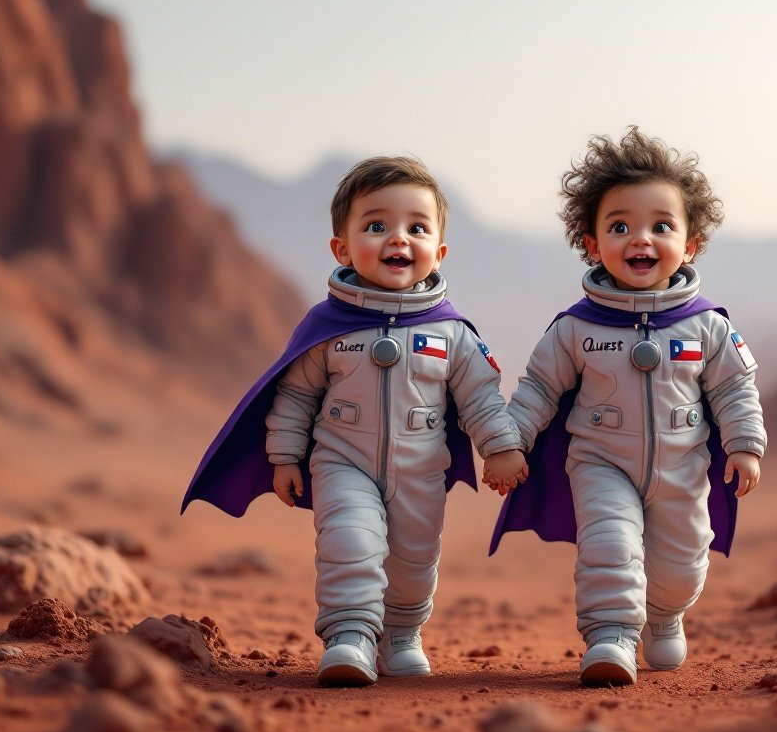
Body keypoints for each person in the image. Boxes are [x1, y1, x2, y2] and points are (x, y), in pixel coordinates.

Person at [183, 156, 526, 686]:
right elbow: (294, 396)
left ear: (438, 252)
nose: (398, 239)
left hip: (421, 469)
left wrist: (499, 446)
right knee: (349, 540)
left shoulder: (453, 333)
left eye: (416, 227)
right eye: (376, 226)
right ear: (342, 249)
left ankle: (402, 634)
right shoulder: (327, 326)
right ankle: (349, 636)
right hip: (343, 460)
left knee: (414, 559)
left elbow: (480, 396)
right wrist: (283, 456)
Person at [482, 129, 766, 686]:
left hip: (683, 467)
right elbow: (538, 388)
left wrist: (745, 444)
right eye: (620, 226)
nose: (641, 238)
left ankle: (664, 616)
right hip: (599, 461)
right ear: (591, 243)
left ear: (691, 244)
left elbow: (735, 389)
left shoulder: (709, 326)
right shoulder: (576, 327)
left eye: (661, 226)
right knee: (609, 546)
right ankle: (610, 636)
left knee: (682, 563)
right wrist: (507, 443)